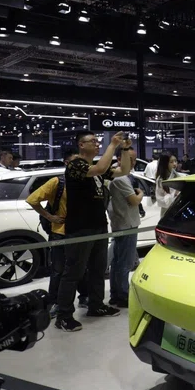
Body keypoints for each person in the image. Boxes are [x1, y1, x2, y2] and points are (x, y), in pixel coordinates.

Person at [54, 131, 133, 332]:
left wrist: (124, 149)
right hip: (80, 228)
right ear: (81, 144)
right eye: (93, 141)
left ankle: (96, 305)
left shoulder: (95, 169)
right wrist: (112, 145)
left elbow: (123, 170)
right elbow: (99, 168)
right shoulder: (76, 165)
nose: (97, 144)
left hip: (98, 225)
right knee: (73, 273)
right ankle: (63, 315)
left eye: (98, 142)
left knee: (98, 270)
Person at [26, 149, 85, 315]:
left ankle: (83, 297)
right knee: (58, 270)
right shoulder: (57, 182)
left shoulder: (85, 182)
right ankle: (54, 303)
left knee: (80, 268)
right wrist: (49, 216)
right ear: (66, 163)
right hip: (60, 232)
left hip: (80, 232)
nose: (79, 165)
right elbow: (32, 200)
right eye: (75, 162)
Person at [107, 173, 143, 308]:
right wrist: (141, 193)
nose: (133, 163)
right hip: (127, 225)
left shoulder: (115, 179)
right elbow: (134, 201)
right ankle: (123, 295)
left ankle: (115, 295)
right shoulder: (121, 179)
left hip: (121, 224)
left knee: (117, 262)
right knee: (125, 263)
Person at [155, 152, 180, 217]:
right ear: (165, 164)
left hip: (178, 210)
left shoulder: (178, 176)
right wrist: (175, 194)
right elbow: (160, 200)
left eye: (175, 161)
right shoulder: (160, 180)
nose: (174, 164)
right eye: (171, 162)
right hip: (167, 213)